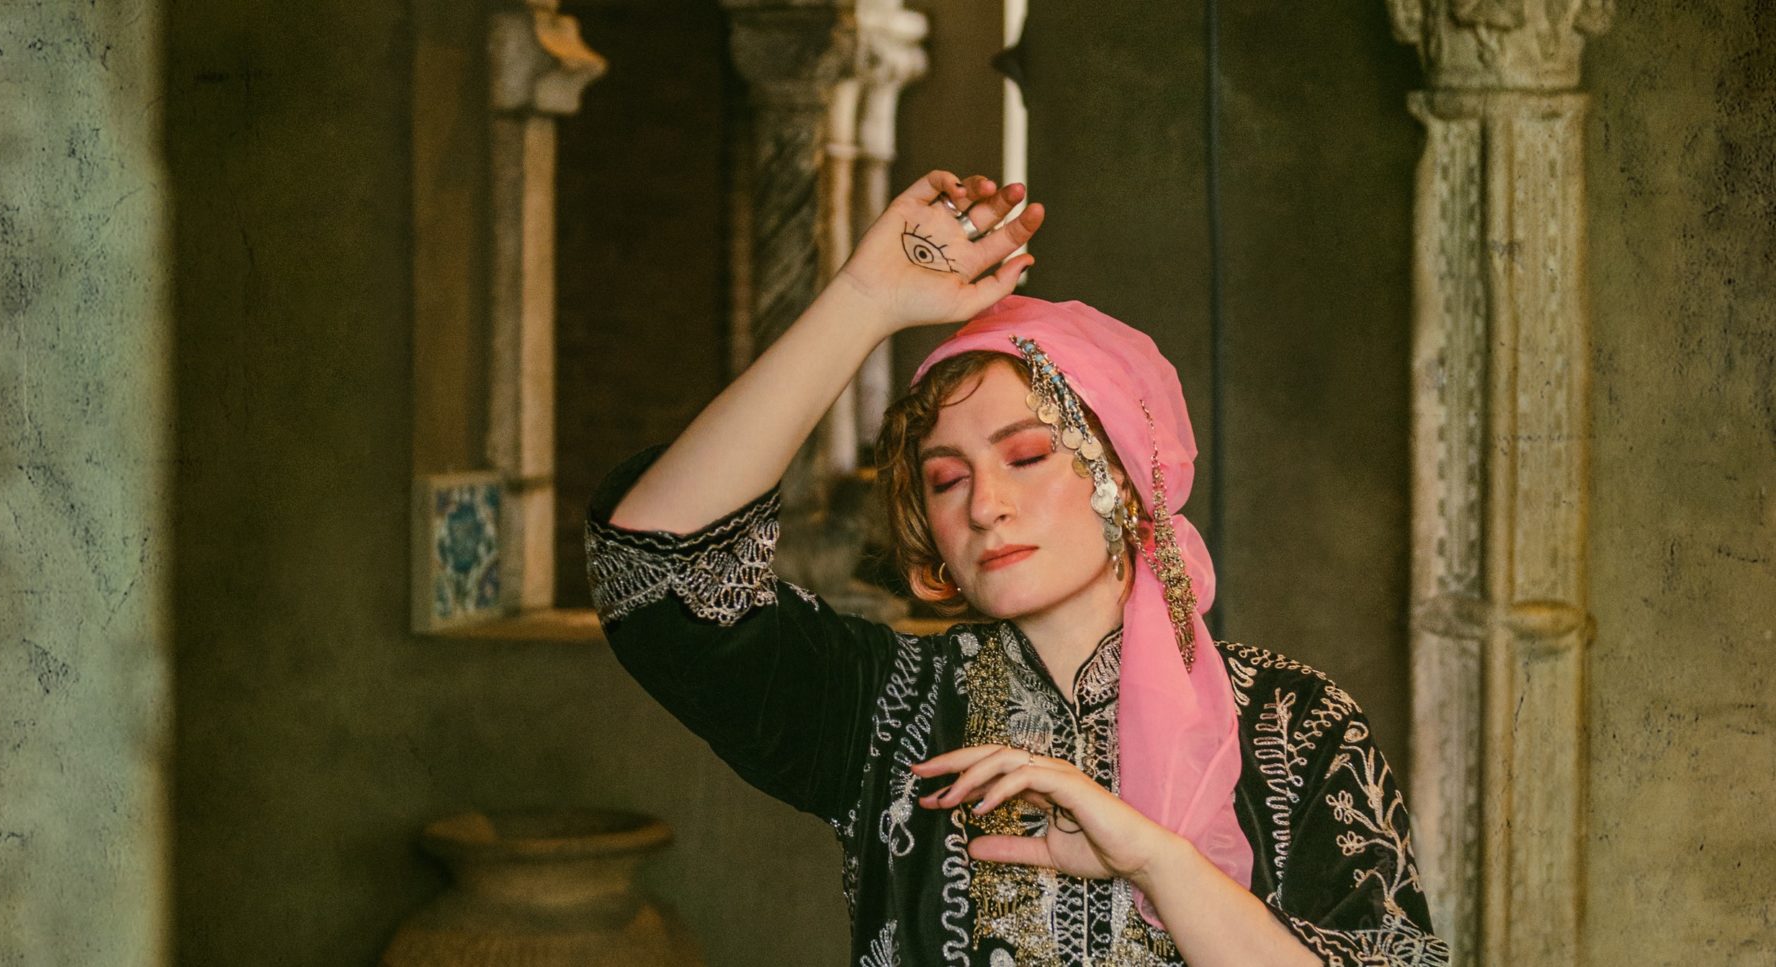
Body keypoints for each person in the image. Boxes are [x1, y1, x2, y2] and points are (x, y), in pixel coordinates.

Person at [587, 170, 1447, 966]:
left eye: (1028, 456)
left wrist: (1156, 861)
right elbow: (655, 566)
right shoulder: (889, 711)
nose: (984, 504)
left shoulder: (1293, 723)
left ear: (1123, 474)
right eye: (946, 479)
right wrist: (862, 302)